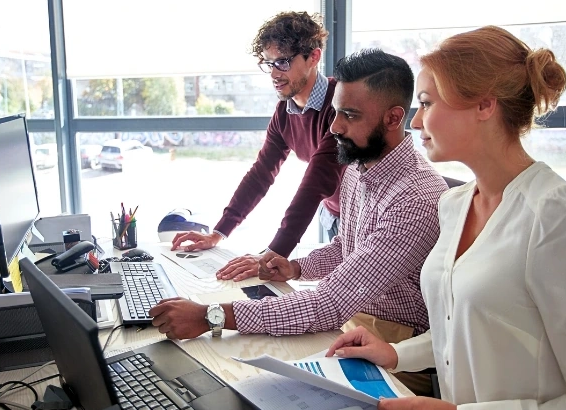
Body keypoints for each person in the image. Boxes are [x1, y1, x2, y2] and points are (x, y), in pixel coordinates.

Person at [150, 49, 448, 395]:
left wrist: (209, 316)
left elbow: (329, 303)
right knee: (236, 373)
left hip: (397, 347)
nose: (335, 126)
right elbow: (347, 247)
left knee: (249, 383)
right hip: (353, 320)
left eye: (350, 115)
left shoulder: (416, 197)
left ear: (393, 118)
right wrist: (294, 268)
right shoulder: (357, 166)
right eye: (336, 112)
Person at [326, 26, 566, 409]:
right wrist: (396, 354)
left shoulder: (556, 214)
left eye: (426, 103)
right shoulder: (455, 204)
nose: (414, 122)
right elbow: (460, 326)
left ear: (484, 105)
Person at [170, 11, 346, 280]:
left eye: (284, 62)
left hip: (365, 214)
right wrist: (219, 232)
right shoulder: (284, 113)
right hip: (333, 213)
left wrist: (272, 255)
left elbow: (316, 183)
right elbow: (261, 174)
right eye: (269, 63)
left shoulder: (340, 106)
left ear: (314, 57)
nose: (275, 73)